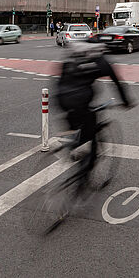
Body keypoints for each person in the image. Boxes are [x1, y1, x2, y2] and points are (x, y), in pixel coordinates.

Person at [54, 41, 133, 192]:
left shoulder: (73, 56)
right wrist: (126, 101)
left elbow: (60, 78)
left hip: (61, 99)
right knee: (90, 132)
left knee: (77, 129)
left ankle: (73, 149)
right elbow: (117, 82)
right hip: (81, 100)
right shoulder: (100, 60)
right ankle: (83, 178)